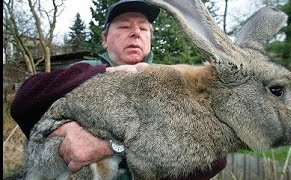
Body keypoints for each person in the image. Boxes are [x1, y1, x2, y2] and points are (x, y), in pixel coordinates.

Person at [10, 0, 227, 179]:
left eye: (143, 28)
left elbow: (214, 159)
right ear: (105, 39)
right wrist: (109, 73)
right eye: (124, 26)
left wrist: (111, 147)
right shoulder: (80, 73)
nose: (135, 33)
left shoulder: (173, 83)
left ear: (150, 39)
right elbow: (23, 103)